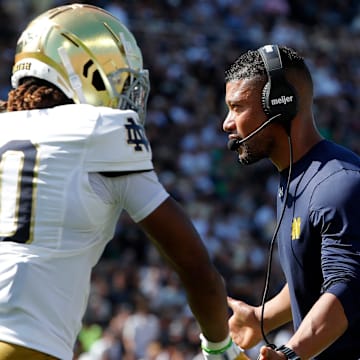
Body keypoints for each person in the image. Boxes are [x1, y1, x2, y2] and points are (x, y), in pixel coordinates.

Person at [0, 4, 249, 360]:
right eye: (120, 77)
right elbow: (195, 267)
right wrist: (219, 347)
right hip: (23, 344)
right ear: (87, 69)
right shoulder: (100, 128)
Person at [223, 44, 360, 359]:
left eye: (237, 107)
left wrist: (290, 353)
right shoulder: (295, 179)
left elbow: (348, 286)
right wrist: (264, 318)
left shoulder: (339, 184)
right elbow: (313, 275)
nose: (227, 123)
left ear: (279, 106)